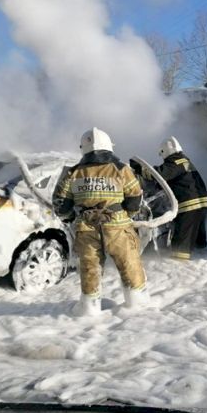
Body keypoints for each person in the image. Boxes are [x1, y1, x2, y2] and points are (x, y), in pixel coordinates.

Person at [52, 127, 150, 316]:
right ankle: (137, 302)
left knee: (90, 267)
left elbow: (60, 203)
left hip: (86, 228)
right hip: (118, 227)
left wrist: (71, 218)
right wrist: (127, 214)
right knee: (129, 263)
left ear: (83, 148)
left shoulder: (73, 173)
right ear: (108, 145)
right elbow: (135, 197)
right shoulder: (121, 169)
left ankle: (89, 307)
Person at [148, 136, 207, 260]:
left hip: (190, 204)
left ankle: (179, 264)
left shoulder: (175, 162)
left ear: (164, 151)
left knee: (182, 239)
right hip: (201, 203)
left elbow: (159, 174)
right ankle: (202, 259)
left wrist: (143, 170)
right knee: (197, 236)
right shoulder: (184, 161)